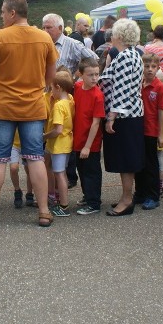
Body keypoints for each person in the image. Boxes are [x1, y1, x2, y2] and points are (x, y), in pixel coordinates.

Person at [0, 0, 57, 227]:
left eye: (3, 12)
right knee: (35, 158)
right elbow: (50, 76)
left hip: (3, 107)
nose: (1, 16)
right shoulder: (44, 38)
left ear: (12, 13)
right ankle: (43, 212)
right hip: (33, 107)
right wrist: (38, 89)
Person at [42, 13, 97, 188]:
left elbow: (92, 59)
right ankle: (52, 175)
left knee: (64, 132)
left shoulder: (72, 44)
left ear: (60, 28)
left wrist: (76, 77)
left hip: (64, 95)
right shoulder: (43, 44)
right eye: (43, 27)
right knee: (49, 131)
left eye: (48, 27)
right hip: (47, 95)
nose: (45, 30)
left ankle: (68, 177)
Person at [99, 18, 145, 216]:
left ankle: (127, 200)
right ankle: (126, 197)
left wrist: (111, 117)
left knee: (126, 160)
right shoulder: (130, 54)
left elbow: (121, 89)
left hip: (125, 116)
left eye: (114, 33)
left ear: (119, 35)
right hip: (128, 114)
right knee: (126, 158)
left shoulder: (127, 56)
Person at [134, 52, 163, 210]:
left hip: (151, 131)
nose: (150, 70)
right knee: (138, 163)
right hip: (138, 129)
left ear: (158, 68)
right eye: (146, 66)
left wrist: (161, 134)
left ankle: (153, 195)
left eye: (153, 67)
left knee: (151, 164)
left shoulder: (159, 87)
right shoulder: (138, 84)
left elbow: (161, 112)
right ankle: (139, 193)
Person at [73, 58, 105, 215]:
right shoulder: (77, 87)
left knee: (92, 172)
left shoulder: (98, 95)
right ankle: (88, 196)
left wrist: (87, 145)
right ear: (81, 75)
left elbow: (96, 123)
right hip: (78, 139)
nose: (94, 78)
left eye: (97, 74)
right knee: (82, 170)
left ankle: (94, 203)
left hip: (90, 143)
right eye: (90, 75)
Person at [45, 69, 75, 217]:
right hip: (67, 142)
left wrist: (44, 136)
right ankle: (61, 201)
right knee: (60, 172)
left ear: (58, 87)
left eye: (52, 88)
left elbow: (57, 130)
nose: (51, 92)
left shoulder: (58, 106)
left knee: (60, 174)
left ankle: (64, 205)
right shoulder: (69, 99)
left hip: (58, 144)